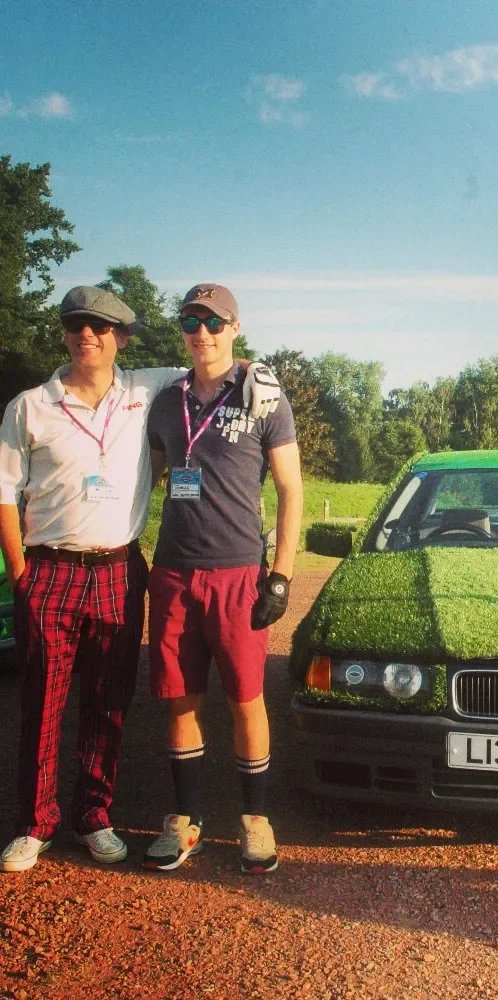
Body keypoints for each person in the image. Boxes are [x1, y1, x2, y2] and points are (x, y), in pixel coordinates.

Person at [0, 286, 281, 873]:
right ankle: (36, 823)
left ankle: (95, 818)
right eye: (77, 325)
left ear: (121, 338)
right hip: (53, 566)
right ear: (65, 333)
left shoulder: (142, 387)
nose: (88, 336)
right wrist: (22, 576)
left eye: (101, 328)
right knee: (42, 703)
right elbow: (4, 494)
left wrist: (261, 370)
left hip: (121, 570)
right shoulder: (32, 405)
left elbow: (216, 363)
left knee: (110, 703)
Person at [142, 283, 302, 875]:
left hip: (237, 573)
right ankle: (186, 821)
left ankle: (255, 819)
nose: (201, 333)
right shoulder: (165, 400)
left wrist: (280, 576)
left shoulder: (264, 397)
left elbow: (290, 489)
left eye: (214, 323)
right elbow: (145, 475)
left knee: (246, 698)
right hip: (175, 572)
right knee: (180, 700)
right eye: (191, 322)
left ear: (234, 328)